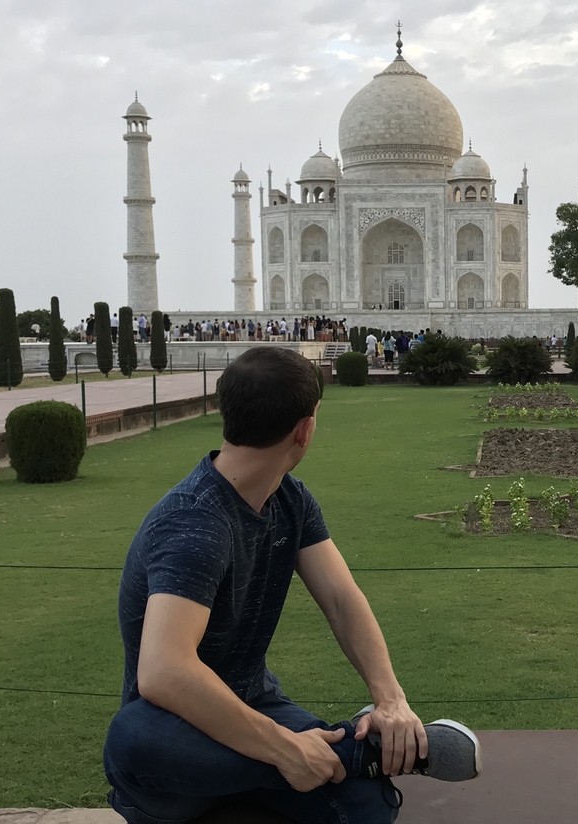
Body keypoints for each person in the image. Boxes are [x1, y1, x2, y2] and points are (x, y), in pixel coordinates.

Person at [102, 348, 480, 824]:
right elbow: (163, 673)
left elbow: (342, 600)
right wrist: (285, 747)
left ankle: (313, 765)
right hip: (179, 744)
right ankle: (354, 756)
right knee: (135, 735)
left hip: (250, 705)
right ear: (305, 429)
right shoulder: (195, 522)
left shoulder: (289, 499)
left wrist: (390, 699)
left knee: (368, 808)